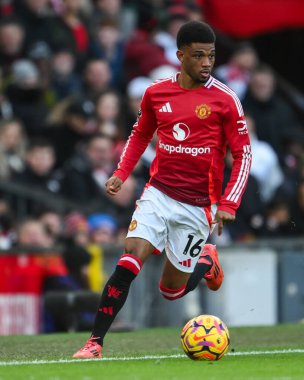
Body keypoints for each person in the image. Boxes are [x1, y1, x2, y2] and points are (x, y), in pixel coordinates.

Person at [73, 20, 252, 359]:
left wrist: (229, 202)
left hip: (198, 205)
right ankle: (94, 343)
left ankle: (207, 260)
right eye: (198, 56)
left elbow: (243, 154)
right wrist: (122, 172)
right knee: (129, 261)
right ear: (180, 56)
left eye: (211, 56)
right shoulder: (157, 93)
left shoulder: (226, 99)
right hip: (158, 193)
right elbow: (140, 133)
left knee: (171, 291)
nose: (206, 63)